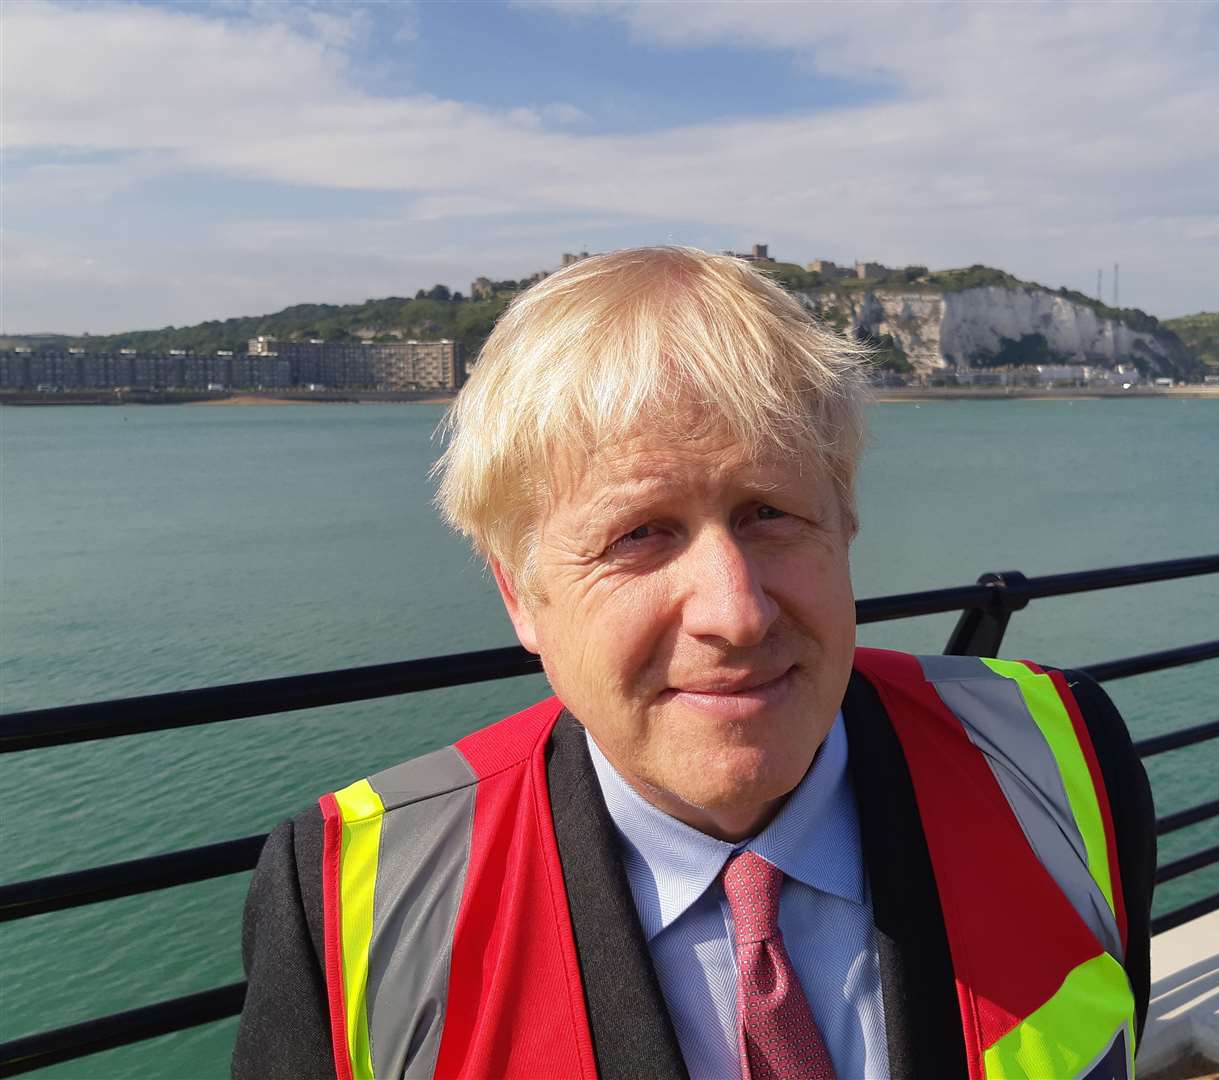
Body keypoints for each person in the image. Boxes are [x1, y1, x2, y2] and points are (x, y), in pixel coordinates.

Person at [232, 246, 1155, 1080]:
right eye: (639, 535)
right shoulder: (351, 901)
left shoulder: (1059, 759)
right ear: (519, 593)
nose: (737, 613)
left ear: (845, 528)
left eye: (769, 512)